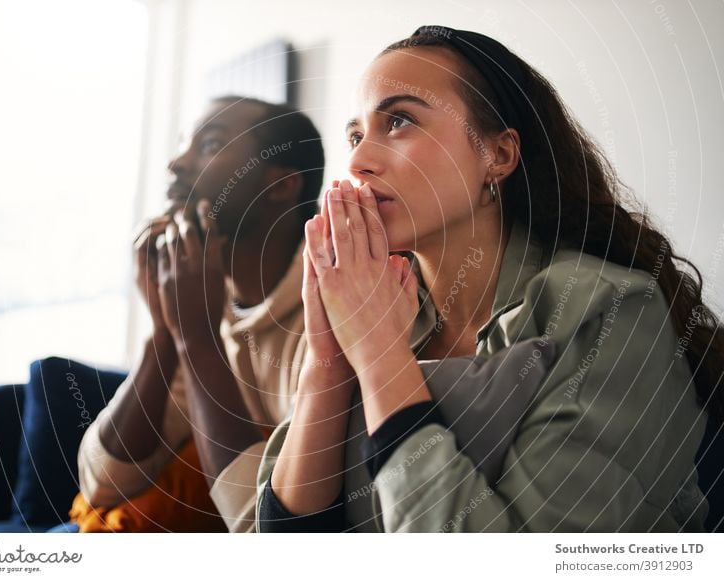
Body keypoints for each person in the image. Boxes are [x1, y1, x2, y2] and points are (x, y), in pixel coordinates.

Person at [256, 26, 724, 532]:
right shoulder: (377, 305)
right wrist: (327, 367)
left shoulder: (612, 309)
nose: (359, 160)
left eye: (399, 121)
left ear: (497, 156)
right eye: (355, 135)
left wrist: (379, 355)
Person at [76, 96, 326, 532]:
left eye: (209, 145)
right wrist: (164, 334)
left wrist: (197, 340)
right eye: (182, 144)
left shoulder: (331, 308)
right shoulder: (204, 302)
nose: (175, 163)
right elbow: (100, 486)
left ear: (280, 186)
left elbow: (267, 531)